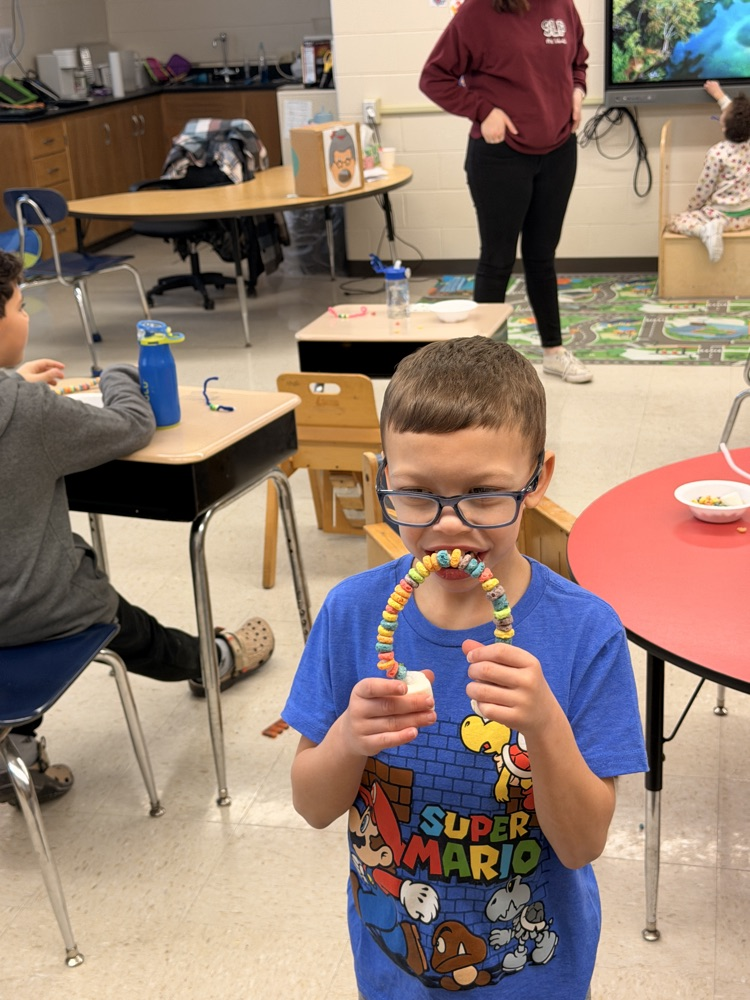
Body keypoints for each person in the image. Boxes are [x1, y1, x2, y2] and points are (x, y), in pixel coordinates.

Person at [283, 336, 647, 998]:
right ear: (383, 478)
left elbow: (582, 844)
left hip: (535, 972)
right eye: (418, 495)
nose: (449, 527)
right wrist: (347, 740)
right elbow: (311, 804)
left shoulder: (586, 631)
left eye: (483, 495)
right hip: (397, 969)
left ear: (536, 481)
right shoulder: (351, 614)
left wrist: (544, 724)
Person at [0, 250, 274, 806]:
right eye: (20, 305)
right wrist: (119, 374)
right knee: (113, 617)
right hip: (32, 613)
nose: (26, 318)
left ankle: (18, 753)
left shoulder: (20, 400)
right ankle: (214, 660)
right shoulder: (26, 410)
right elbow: (131, 425)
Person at [419, 0, 593, 385]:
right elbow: (434, 77)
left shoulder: (562, 6)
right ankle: (481, 373)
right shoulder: (477, 13)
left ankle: (553, 352)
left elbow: (577, 59)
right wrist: (482, 110)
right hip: (500, 157)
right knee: (497, 260)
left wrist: (577, 91)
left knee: (541, 257)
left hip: (558, 150)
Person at [666, 80, 750, 263]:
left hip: (722, 216)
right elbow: (736, 114)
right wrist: (719, 95)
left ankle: (705, 231)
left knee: (674, 221)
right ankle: (710, 229)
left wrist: (692, 209)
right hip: (745, 217)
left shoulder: (716, 153)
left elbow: (704, 188)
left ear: (724, 127)